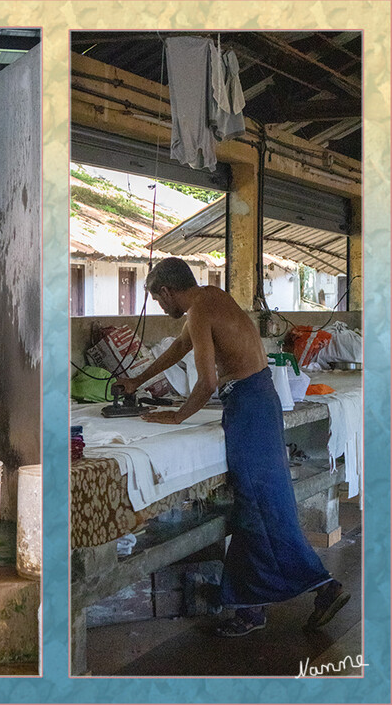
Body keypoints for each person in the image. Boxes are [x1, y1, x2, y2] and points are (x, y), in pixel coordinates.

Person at [116, 257, 349, 637]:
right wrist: (137, 380)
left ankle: (324, 587)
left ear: (166, 291)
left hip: (248, 407)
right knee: (251, 507)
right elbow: (178, 349)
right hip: (259, 398)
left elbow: (206, 381)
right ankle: (249, 608)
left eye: (158, 301)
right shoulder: (211, 298)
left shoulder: (198, 311)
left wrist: (177, 417)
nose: (161, 308)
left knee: (263, 507)